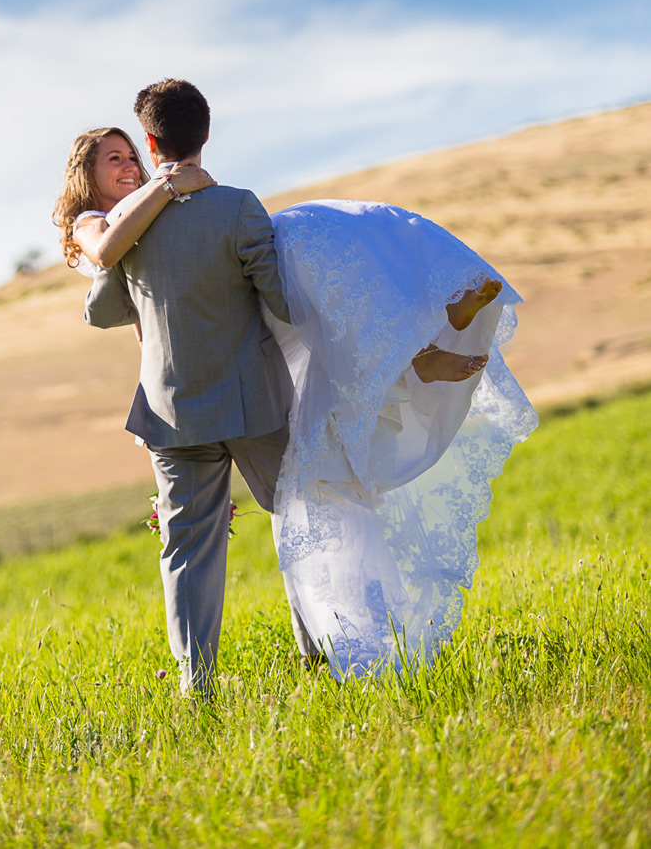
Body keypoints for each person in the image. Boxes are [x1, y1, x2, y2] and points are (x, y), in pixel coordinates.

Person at [57, 82, 535, 687]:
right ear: (204, 136)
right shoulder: (235, 205)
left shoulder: (127, 229)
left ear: (151, 144)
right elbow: (282, 302)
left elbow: (101, 311)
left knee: (187, 548)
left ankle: (194, 682)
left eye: (132, 154)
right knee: (305, 508)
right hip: (252, 397)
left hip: (170, 410)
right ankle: (323, 651)